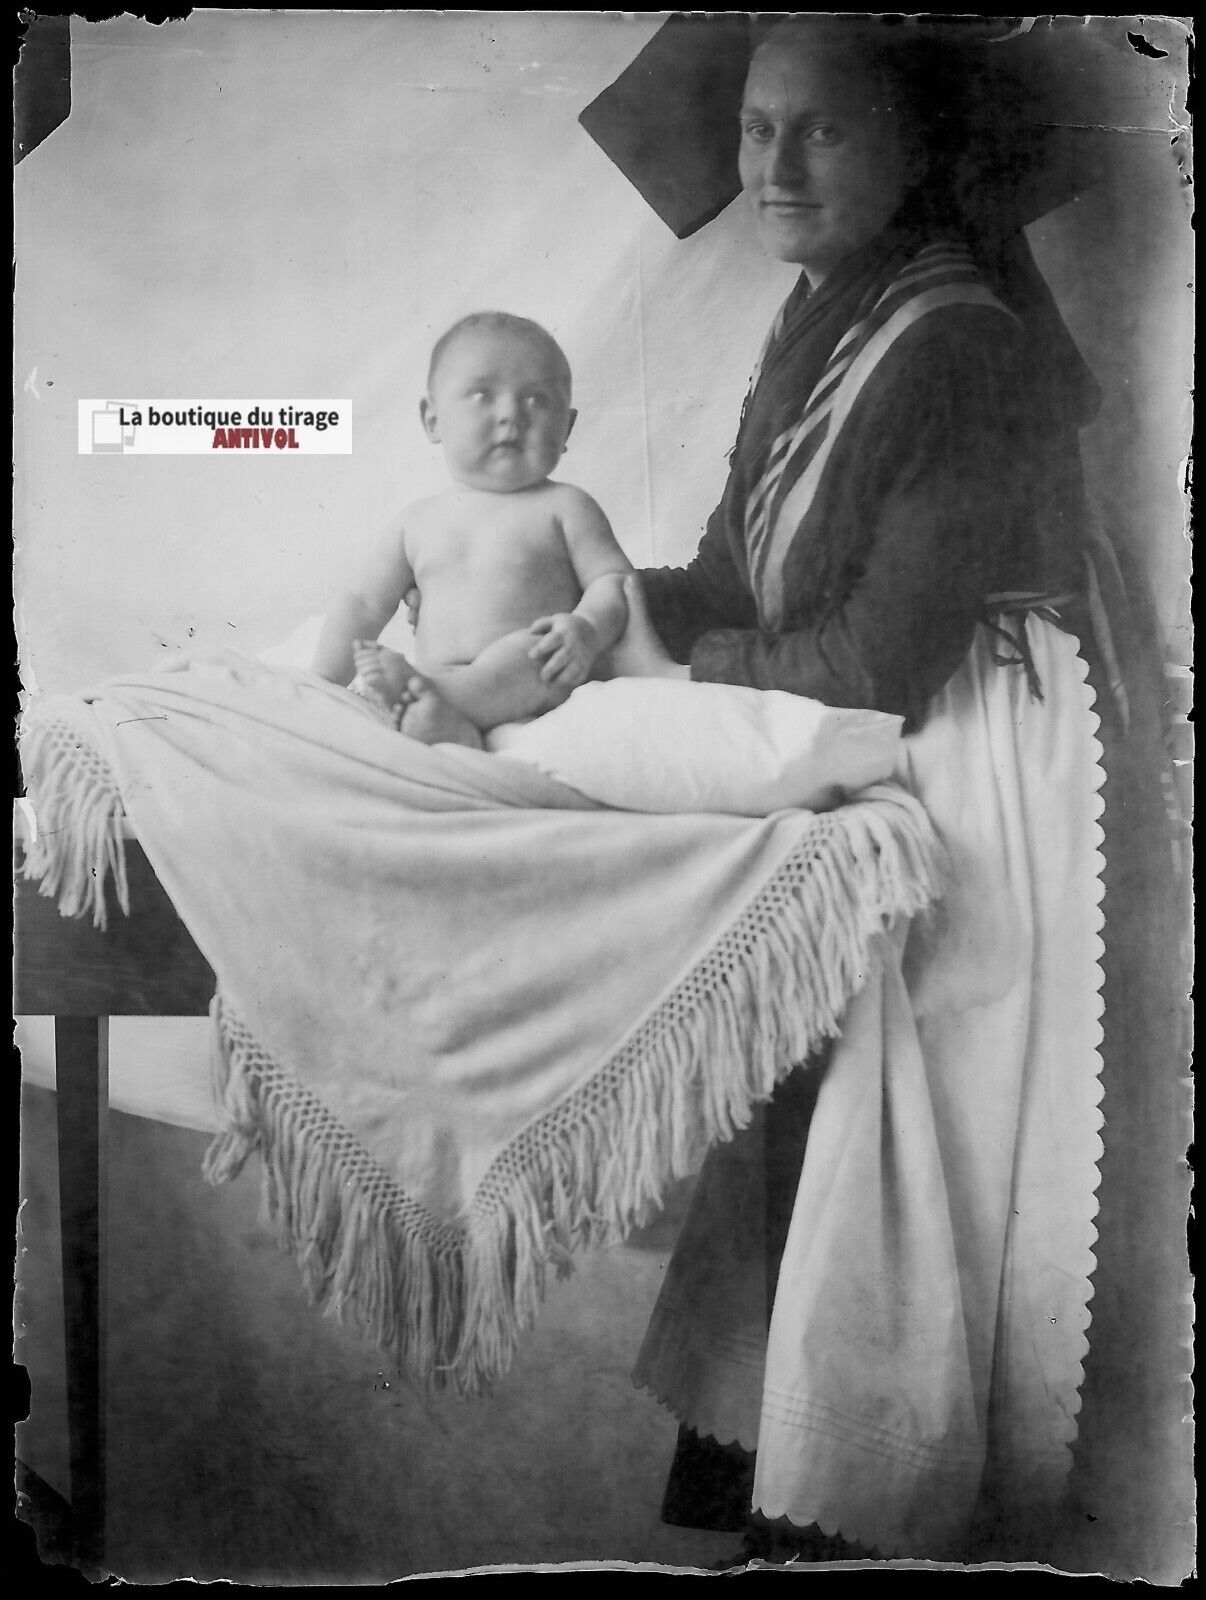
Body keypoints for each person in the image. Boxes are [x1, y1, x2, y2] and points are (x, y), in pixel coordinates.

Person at [596, 16, 1184, 1569]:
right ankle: (799, 1511)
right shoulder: (819, 315)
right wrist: (577, 602)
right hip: (875, 750)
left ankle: (865, 1521)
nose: (774, 169)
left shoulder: (960, 340)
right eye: (755, 130)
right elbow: (734, 575)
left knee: (898, 1165)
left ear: (914, 145)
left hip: (986, 783)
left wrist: (665, 680)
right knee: (801, 1139)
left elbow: (868, 660)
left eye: (822, 133)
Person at [311, 312, 632, 748]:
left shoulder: (565, 506)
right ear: (432, 419)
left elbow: (614, 581)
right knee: (396, 707)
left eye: (537, 400)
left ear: (567, 428)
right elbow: (364, 602)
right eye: (483, 395)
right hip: (435, 679)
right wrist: (321, 683)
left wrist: (586, 629)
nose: (510, 415)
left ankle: (432, 701)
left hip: (536, 683)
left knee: (529, 648)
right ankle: (450, 725)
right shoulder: (415, 521)